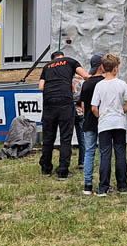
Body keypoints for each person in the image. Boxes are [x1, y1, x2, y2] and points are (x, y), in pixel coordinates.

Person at [38, 49, 90, 179]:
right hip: (65, 102)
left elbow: (41, 87)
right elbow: (86, 76)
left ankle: (46, 169)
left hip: (49, 103)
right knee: (65, 137)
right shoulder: (70, 61)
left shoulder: (47, 67)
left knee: (48, 137)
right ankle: (63, 171)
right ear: (63, 57)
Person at [91, 53, 127, 196]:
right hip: (119, 121)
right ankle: (122, 185)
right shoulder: (121, 84)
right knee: (120, 152)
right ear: (116, 68)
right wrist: (123, 110)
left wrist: (100, 116)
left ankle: (103, 186)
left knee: (105, 154)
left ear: (103, 67)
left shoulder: (99, 85)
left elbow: (94, 107)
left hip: (104, 122)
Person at [79, 53, 105, 195]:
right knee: (103, 152)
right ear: (101, 66)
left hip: (88, 121)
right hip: (102, 121)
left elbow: (83, 105)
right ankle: (103, 182)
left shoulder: (87, 83)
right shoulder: (104, 82)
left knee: (89, 152)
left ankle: (87, 185)